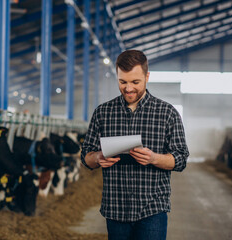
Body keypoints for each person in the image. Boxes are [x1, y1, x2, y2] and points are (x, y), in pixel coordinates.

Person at [81, 50, 189, 240]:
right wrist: (97, 157)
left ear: (147, 77)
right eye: (123, 82)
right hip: (115, 209)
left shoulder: (167, 113)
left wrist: (154, 158)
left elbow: (180, 159)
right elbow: (86, 158)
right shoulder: (103, 113)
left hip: (152, 209)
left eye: (135, 82)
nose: (128, 88)